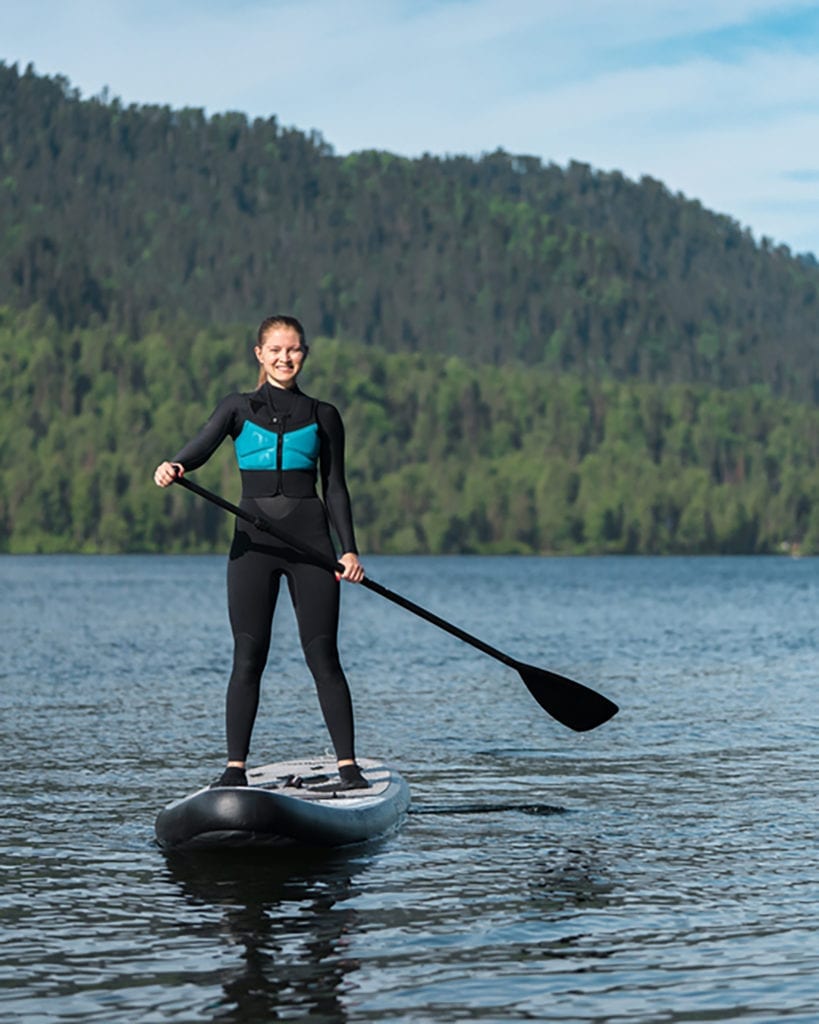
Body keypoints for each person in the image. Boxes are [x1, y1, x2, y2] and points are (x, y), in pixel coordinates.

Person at [153, 314, 369, 789]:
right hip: (253, 546)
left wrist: (348, 551)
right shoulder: (237, 408)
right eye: (275, 350)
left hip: (312, 546)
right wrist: (176, 465)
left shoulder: (323, 414)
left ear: (304, 354)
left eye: (293, 350)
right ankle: (235, 770)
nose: (284, 358)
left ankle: (348, 768)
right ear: (259, 354)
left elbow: (335, 488)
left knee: (324, 656)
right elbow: (200, 448)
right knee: (248, 655)